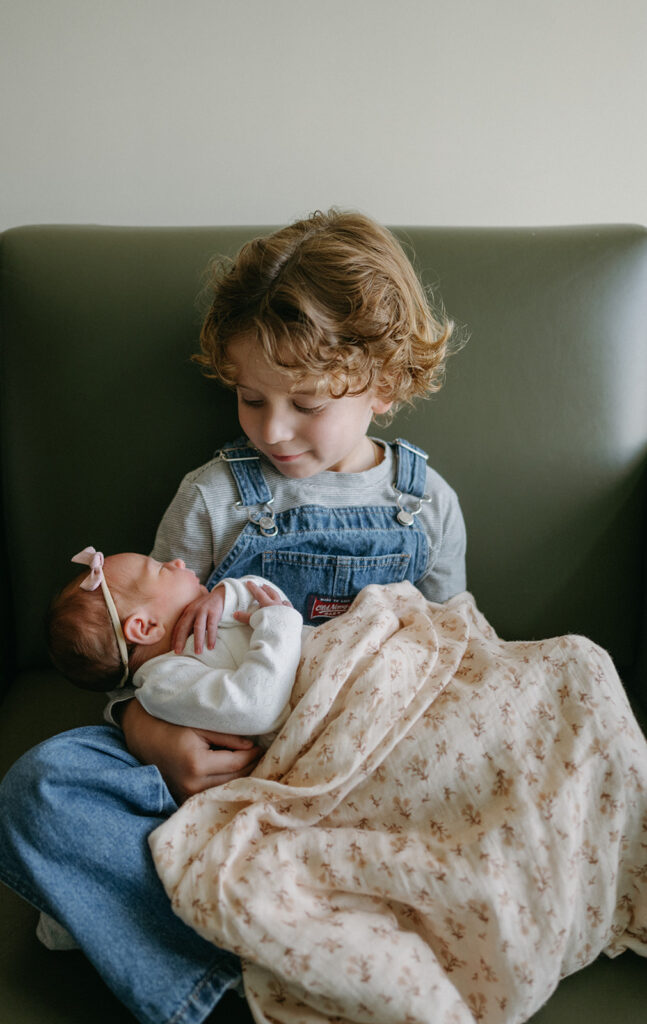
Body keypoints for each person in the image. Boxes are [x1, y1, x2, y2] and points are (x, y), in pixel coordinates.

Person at [0, 209, 467, 1024]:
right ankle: (212, 980)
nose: (273, 430)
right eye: (252, 399)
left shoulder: (424, 505)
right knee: (39, 790)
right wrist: (147, 734)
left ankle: (304, 933)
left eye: (306, 402)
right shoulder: (216, 497)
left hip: (357, 756)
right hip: (221, 763)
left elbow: (449, 649)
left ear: (383, 386)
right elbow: (139, 646)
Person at [49, 547, 308, 746]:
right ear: (147, 628)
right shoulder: (165, 684)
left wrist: (226, 595)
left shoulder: (208, 613)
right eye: (162, 569)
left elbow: (274, 600)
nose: (177, 562)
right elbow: (256, 707)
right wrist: (279, 624)